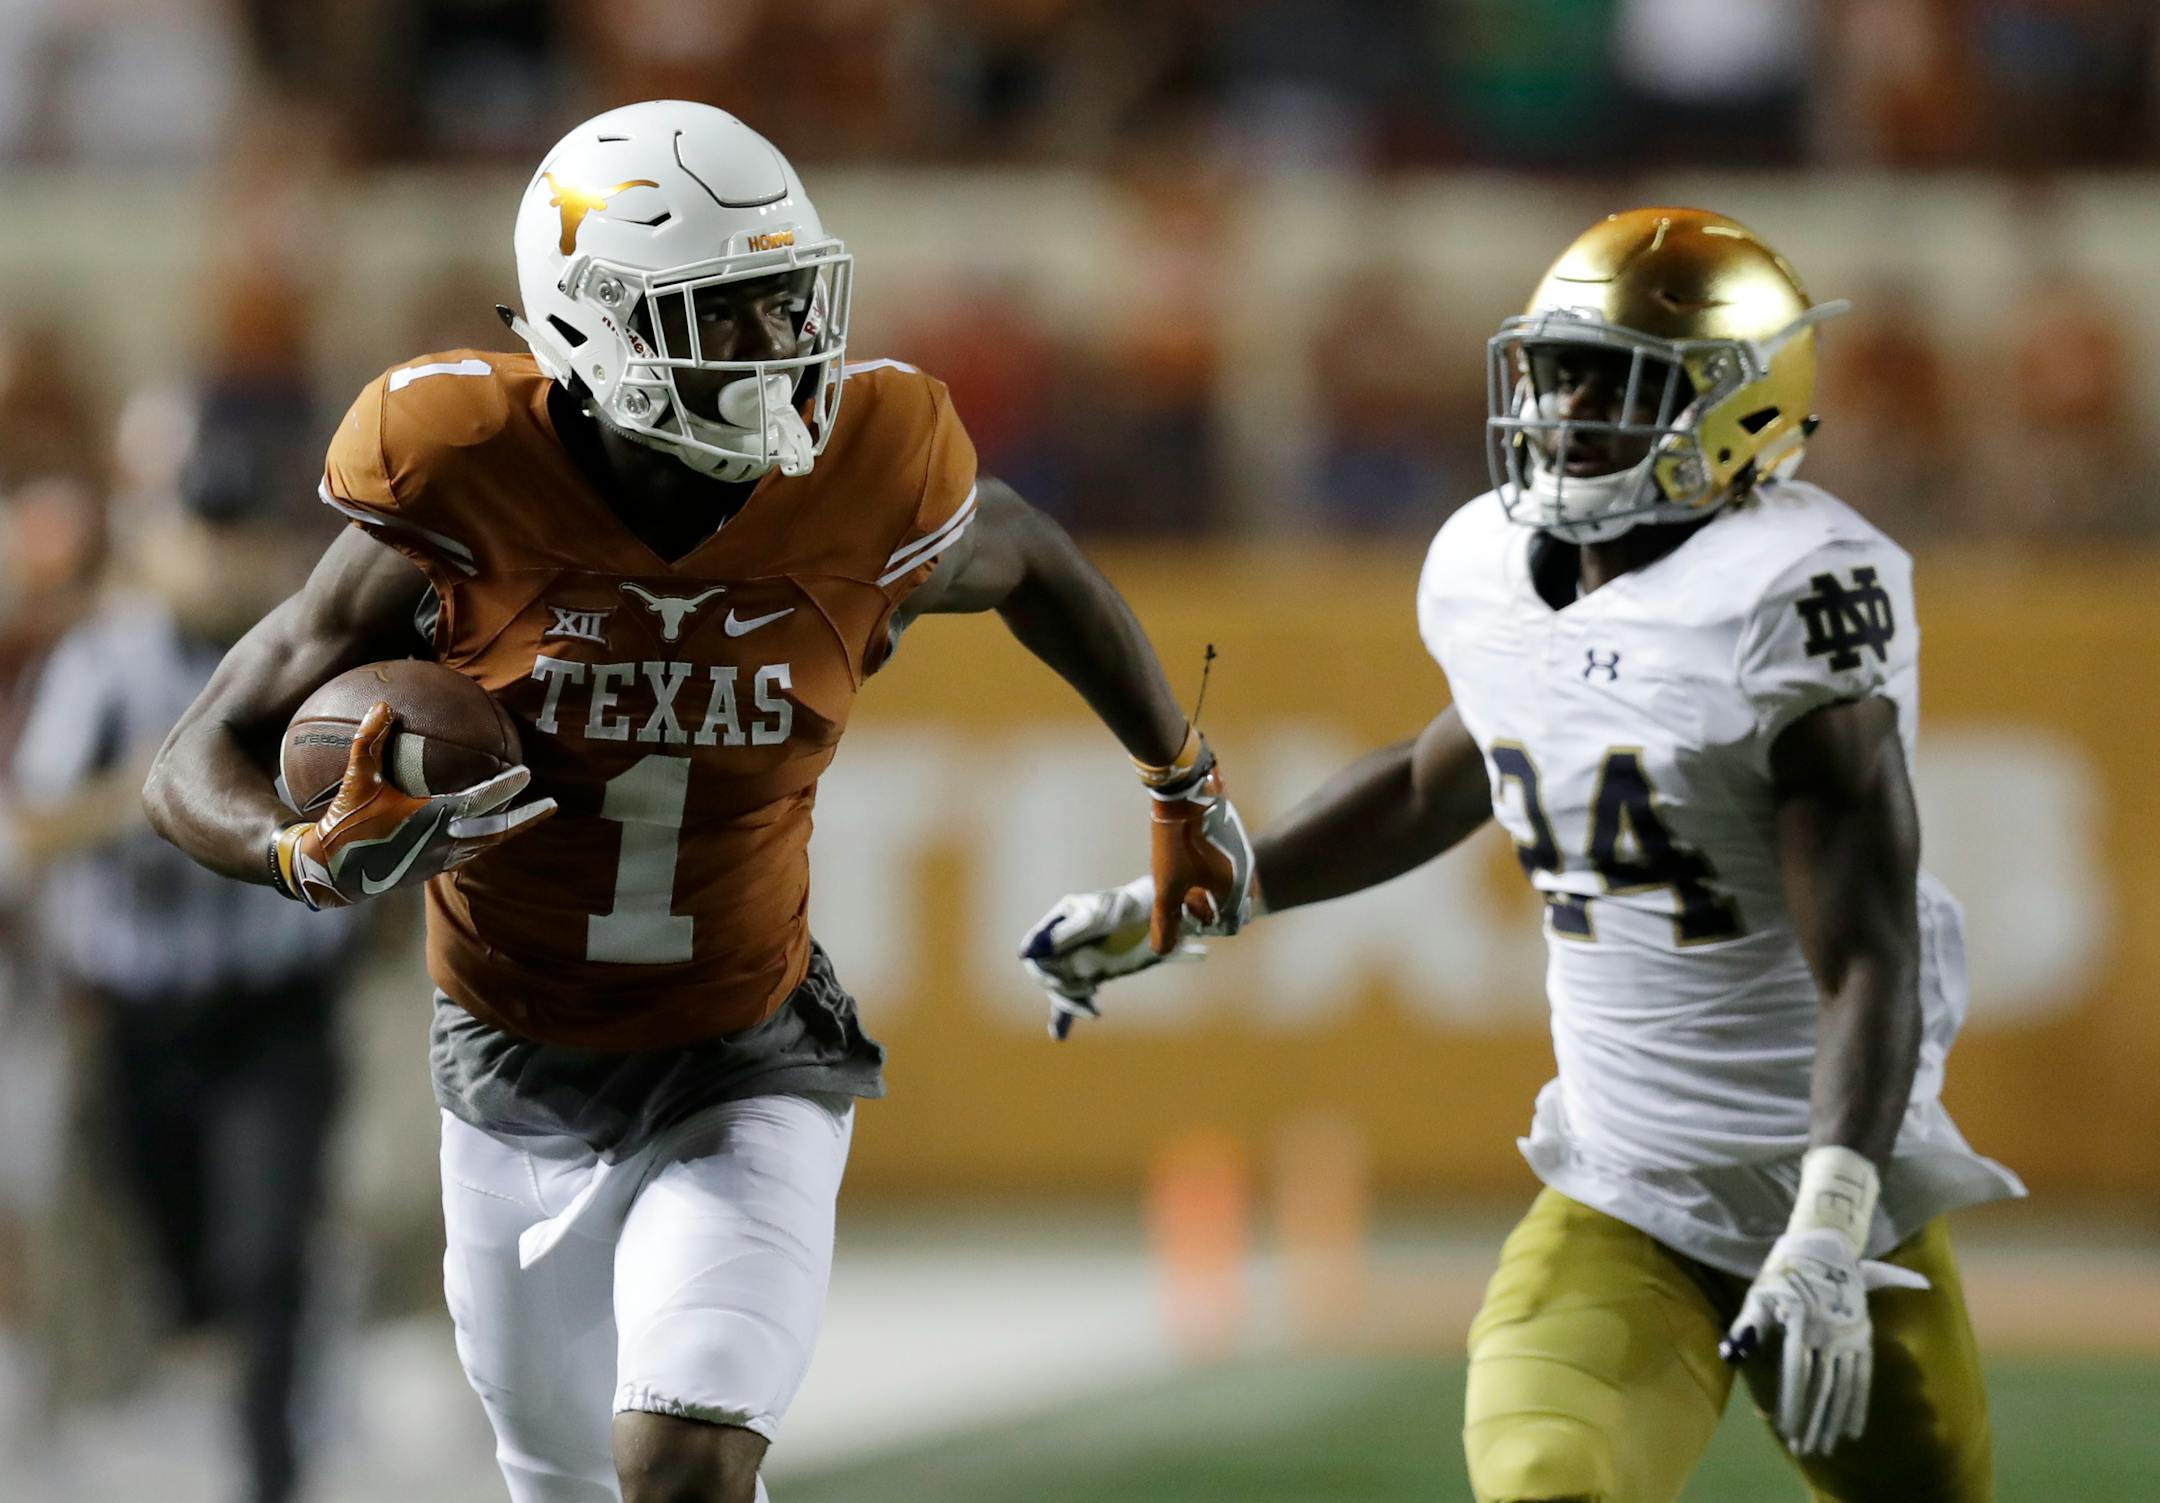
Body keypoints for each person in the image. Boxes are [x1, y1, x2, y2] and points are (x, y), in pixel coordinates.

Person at [142, 99, 1253, 1503]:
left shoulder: (866, 468)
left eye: (788, 300)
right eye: (725, 311)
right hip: (507, 1066)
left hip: (746, 1051)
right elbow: (192, 758)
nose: (780, 343)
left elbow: (1033, 560)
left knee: (683, 1460)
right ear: (594, 324)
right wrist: (300, 850)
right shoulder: (463, 474)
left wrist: (1183, 783)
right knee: (561, 1478)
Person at [1023, 208, 2023, 1503]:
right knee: (1547, 1478)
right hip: (1625, 1186)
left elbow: (1871, 956)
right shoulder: (1491, 563)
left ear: (1743, 409)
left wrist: (1831, 1227)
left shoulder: (1790, 596)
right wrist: (1206, 893)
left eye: (1621, 381)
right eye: (1559, 372)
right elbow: (1440, 775)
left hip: (1832, 1195)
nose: (1568, 409)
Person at [15, 443, 357, 1503]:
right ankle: (230, 1365)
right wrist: (163, 793)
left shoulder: (322, 657)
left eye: (236, 534)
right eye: (200, 535)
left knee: (267, 1249)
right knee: (184, 1268)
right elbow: (32, 827)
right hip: (143, 1010)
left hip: (276, 1005)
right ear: (159, 542)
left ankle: (271, 1467)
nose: (217, 558)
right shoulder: (106, 664)